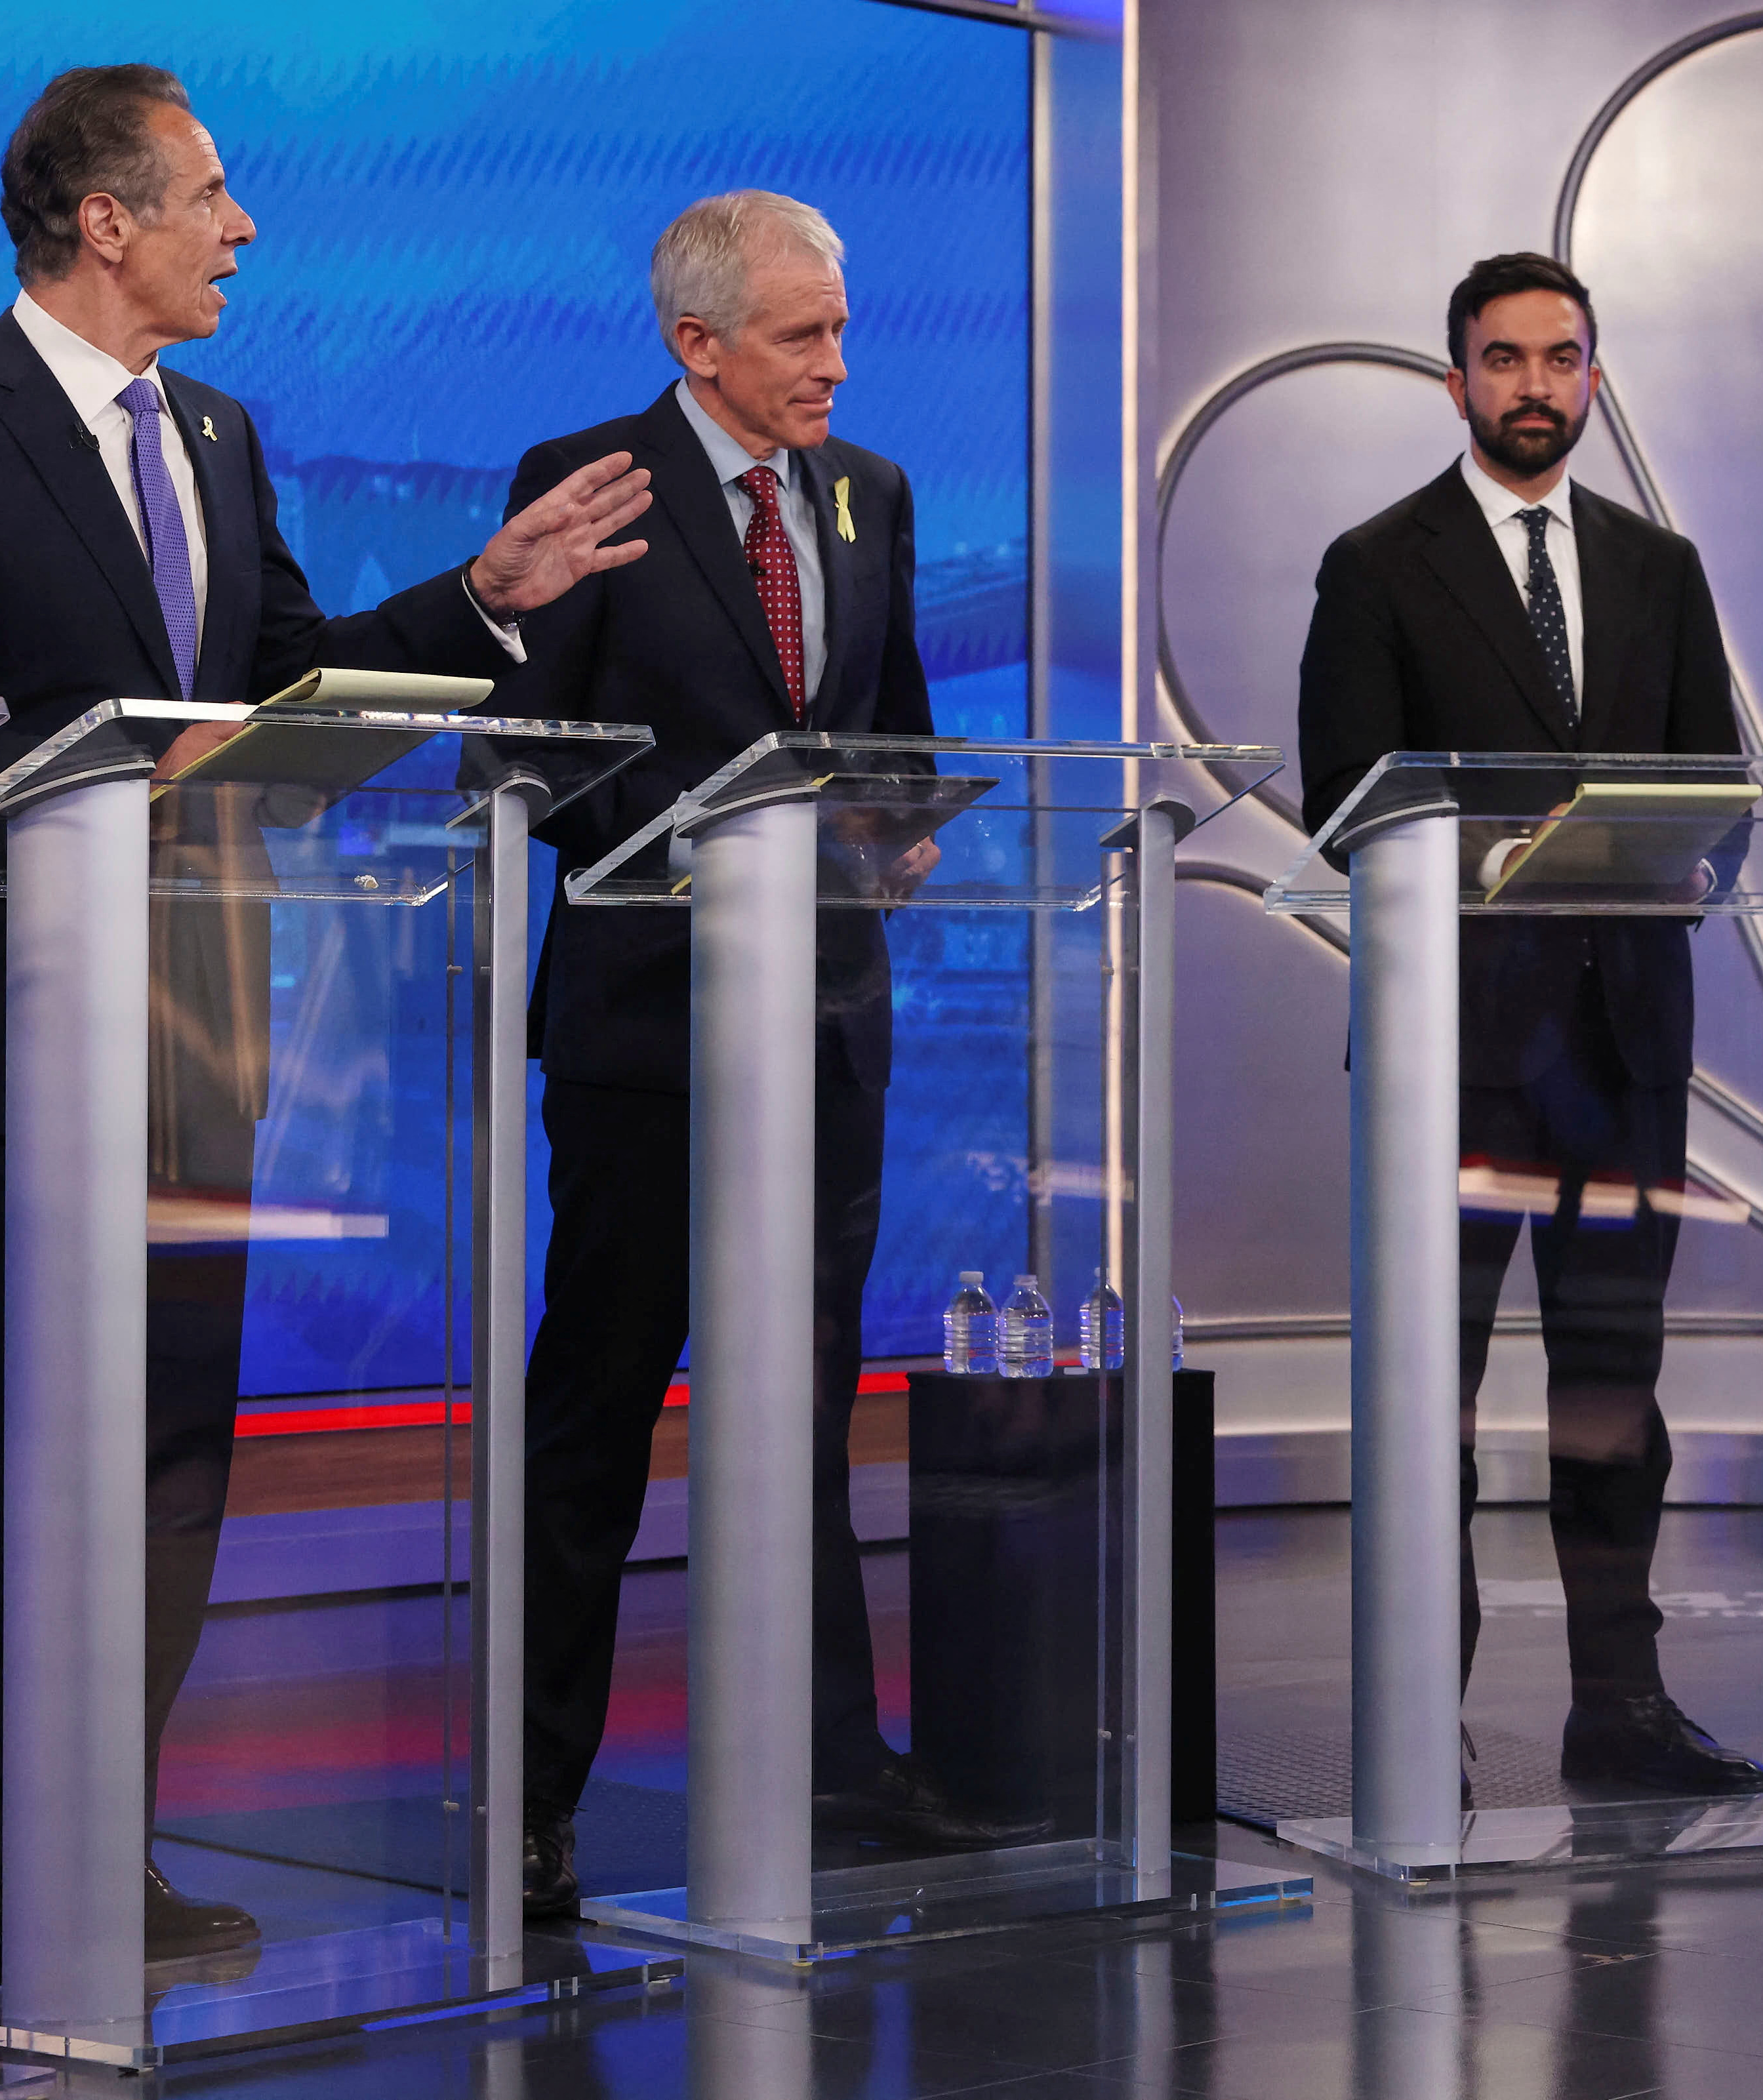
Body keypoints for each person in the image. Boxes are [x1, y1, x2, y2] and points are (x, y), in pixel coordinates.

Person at [0, 64, 651, 1975]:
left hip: (200, 1010)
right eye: (210, 194)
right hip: (19, 1021)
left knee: (170, 1455)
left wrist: (482, 596)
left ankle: (95, 1839)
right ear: (103, 219)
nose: (243, 226)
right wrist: (138, 768)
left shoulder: (217, 433)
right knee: (8, 1443)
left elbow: (288, 688)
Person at [489, 190, 1036, 1920]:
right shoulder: (590, 486)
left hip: (826, 1022)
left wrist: (899, 818)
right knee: (597, 1416)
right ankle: (530, 1796)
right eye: (803, 335)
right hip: (650, 1031)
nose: (836, 364)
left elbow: (894, 732)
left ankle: (833, 1767)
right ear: (698, 342)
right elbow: (525, 763)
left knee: (799, 1410)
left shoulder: (870, 490)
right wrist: (717, 837)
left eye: (842, 327)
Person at [1297, 251, 1763, 1799]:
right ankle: (1414, 1716)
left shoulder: (1659, 565)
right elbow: (1343, 807)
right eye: (1504, 359)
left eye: (1561, 358)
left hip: (1623, 1048)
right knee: (1427, 1397)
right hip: (1455, 1051)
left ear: (1594, 377)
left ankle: (1619, 1707)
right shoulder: (1378, 564)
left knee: (1614, 1398)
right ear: (1457, 382)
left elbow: (1720, 792)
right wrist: (1511, 855)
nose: (1535, 386)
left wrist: (1690, 858)